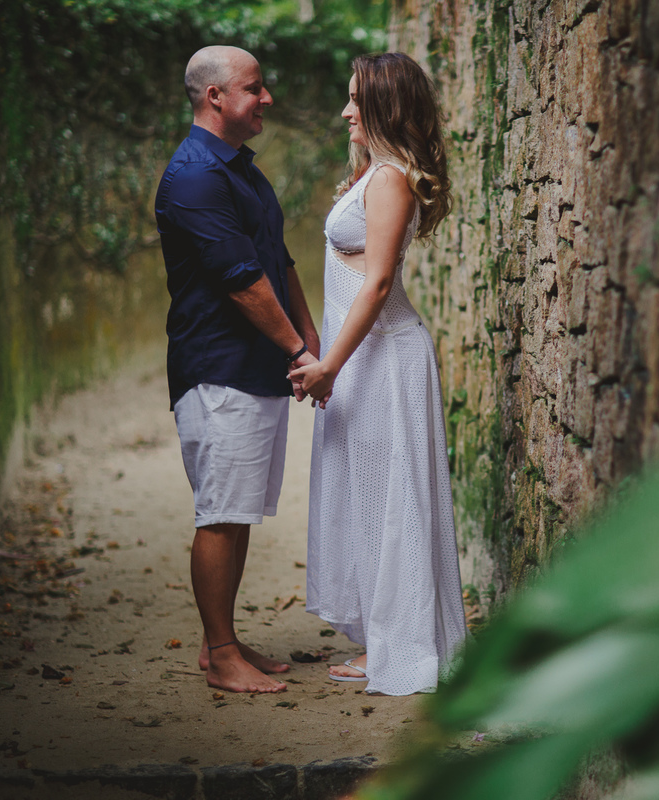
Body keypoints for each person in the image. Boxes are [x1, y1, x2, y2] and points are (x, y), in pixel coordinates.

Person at [289, 52, 467, 696]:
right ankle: (385, 632)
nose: (345, 112)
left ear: (386, 108)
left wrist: (328, 364)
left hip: (385, 357)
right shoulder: (377, 175)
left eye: (356, 101)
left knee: (390, 496)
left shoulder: (390, 179)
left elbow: (380, 280)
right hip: (363, 356)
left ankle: (404, 642)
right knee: (366, 493)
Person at [155, 45, 320, 694]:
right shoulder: (195, 176)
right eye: (255, 88)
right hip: (217, 367)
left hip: (254, 364)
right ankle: (221, 655)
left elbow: (278, 260)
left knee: (238, 509)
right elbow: (243, 281)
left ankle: (219, 639)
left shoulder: (241, 170)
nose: (267, 98)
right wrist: (299, 352)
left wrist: (307, 333)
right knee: (220, 512)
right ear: (215, 97)